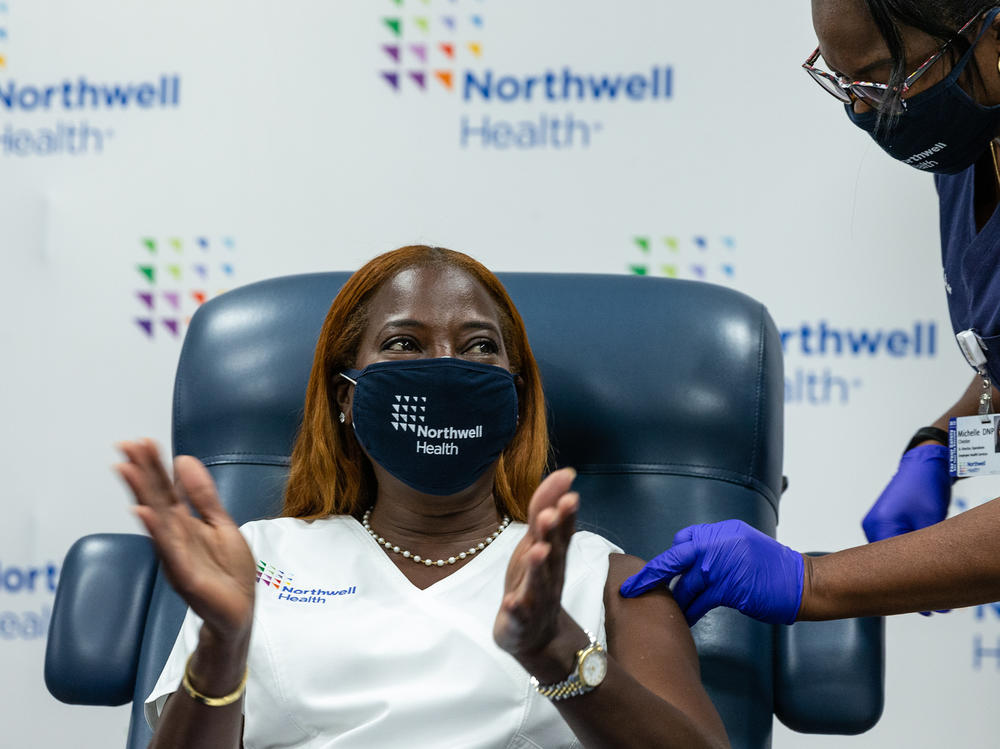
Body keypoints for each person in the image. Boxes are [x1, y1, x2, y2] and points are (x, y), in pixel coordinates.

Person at [119, 246, 729, 748]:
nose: (445, 368)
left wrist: (557, 651)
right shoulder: (254, 561)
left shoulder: (606, 579)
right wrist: (222, 647)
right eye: (405, 344)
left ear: (514, 399)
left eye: (479, 347)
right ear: (347, 396)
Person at [621, 0, 1000, 625]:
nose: (861, 107)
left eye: (883, 78)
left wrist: (812, 582)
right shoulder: (966, 146)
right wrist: (943, 444)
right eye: (842, 81)